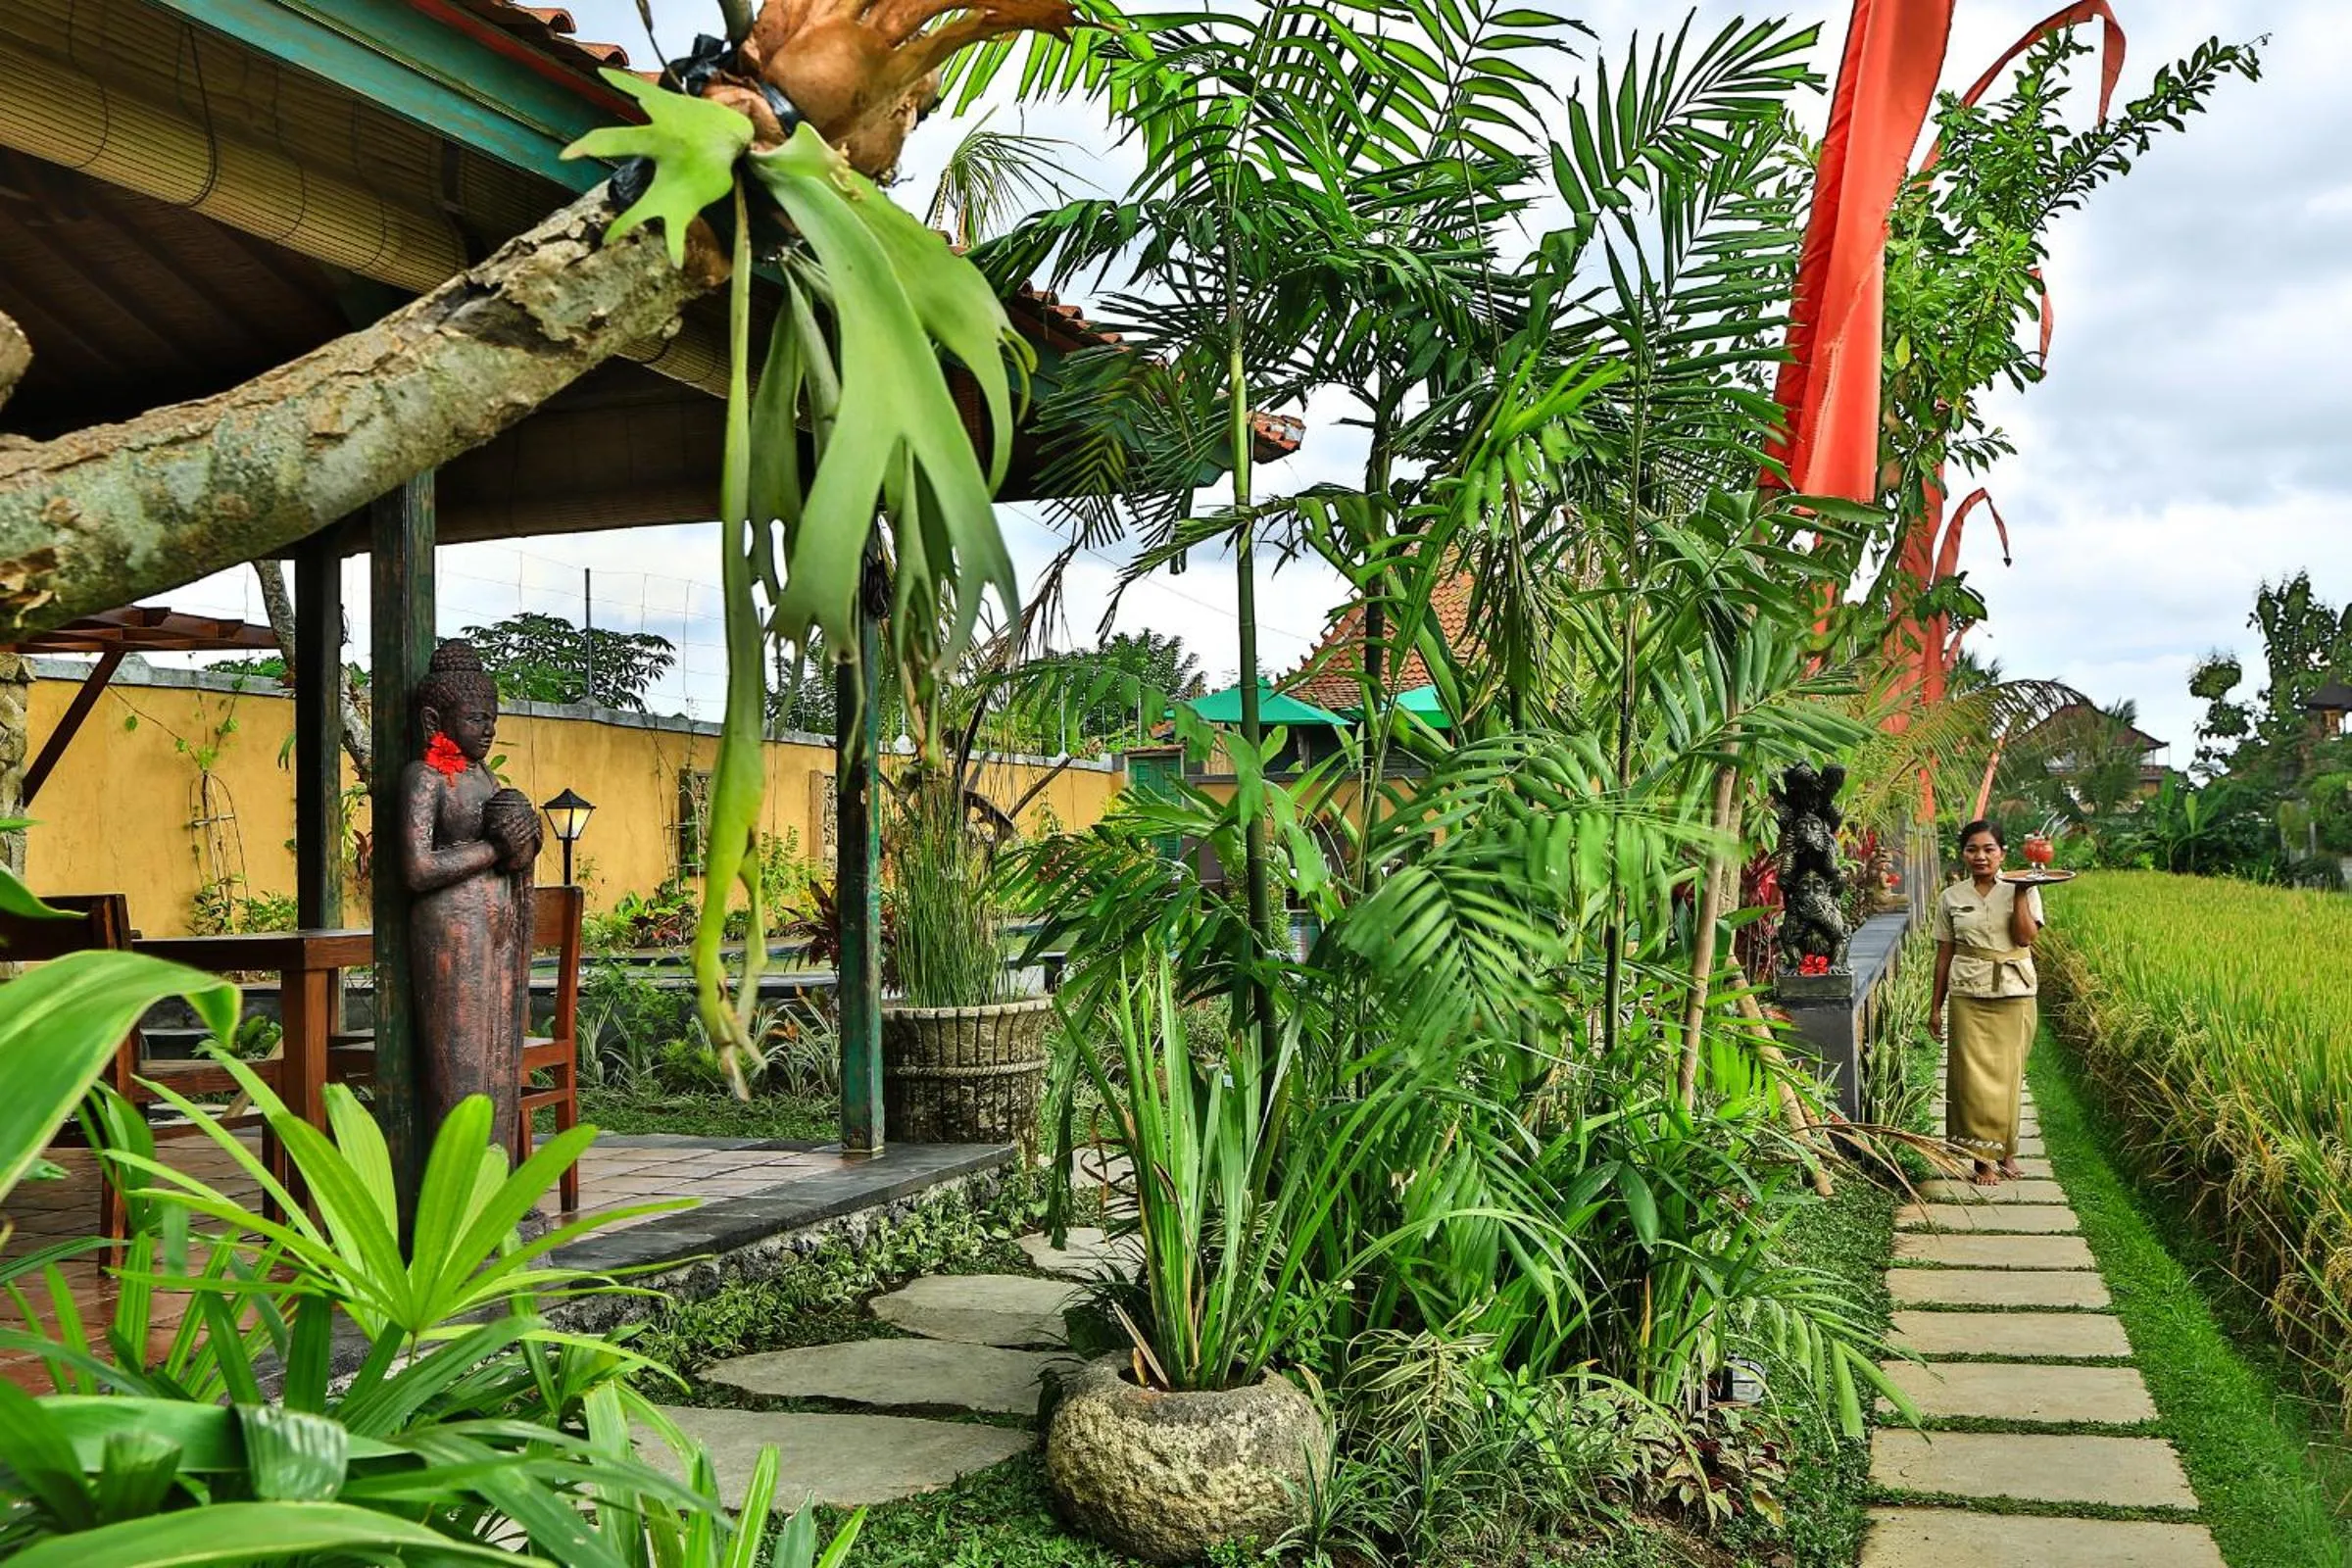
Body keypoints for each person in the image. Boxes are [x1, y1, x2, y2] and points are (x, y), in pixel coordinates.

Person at [397, 641, 543, 1155]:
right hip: (450, 931)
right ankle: (457, 1194)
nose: (489, 730)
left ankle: (494, 1183)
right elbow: (417, 869)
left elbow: (507, 846)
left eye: (493, 720)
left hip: (496, 923)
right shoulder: (426, 777)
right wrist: (493, 848)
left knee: (497, 1058)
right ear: (437, 718)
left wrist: (523, 845)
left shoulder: (483, 776)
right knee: (459, 1064)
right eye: (477, 719)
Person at [1929, 818, 2043, 1187]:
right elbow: (1944, 955)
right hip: (1968, 994)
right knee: (1971, 1079)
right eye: (1972, 849)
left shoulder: (2024, 888)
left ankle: (2006, 1151)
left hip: (2015, 992)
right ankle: (1982, 1160)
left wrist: (2022, 891)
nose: (1980, 856)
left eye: (1988, 849)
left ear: (2002, 853)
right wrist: (1934, 1007)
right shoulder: (1952, 897)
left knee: (2009, 1074)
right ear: (1963, 854)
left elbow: (2025, 939)